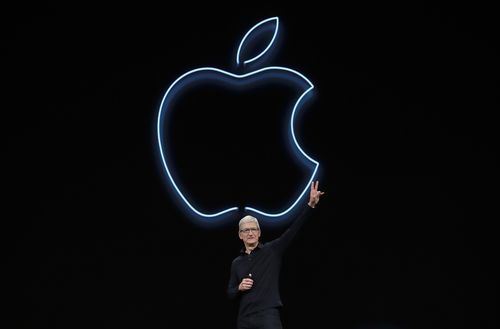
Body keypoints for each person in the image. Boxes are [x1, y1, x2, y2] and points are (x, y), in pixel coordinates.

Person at [227, 180, 325, 329]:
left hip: (268, 316)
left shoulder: (271, 250)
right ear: (240, 235)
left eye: (254, 229)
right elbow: (230, 293)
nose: (250, 233)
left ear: (259, 233)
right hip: (244, 319)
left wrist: (310, 205)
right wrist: (239, 287)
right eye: (246, 230)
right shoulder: (237, 262)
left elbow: (293, 230)